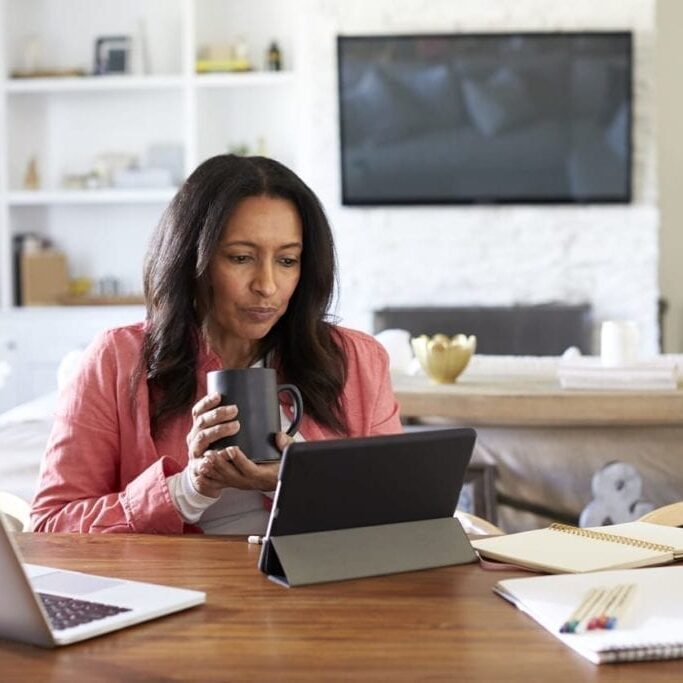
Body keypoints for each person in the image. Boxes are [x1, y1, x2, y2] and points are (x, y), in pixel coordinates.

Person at [31, 155, 402, 534]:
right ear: (192, 260)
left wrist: (302, 484)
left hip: (313, 588)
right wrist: (187, 490)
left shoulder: (357, 361)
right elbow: (50, 527)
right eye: (241, 257)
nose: (267, 285)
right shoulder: (118, 360)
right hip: (175, 590)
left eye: (287, 260)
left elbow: (403, 514)